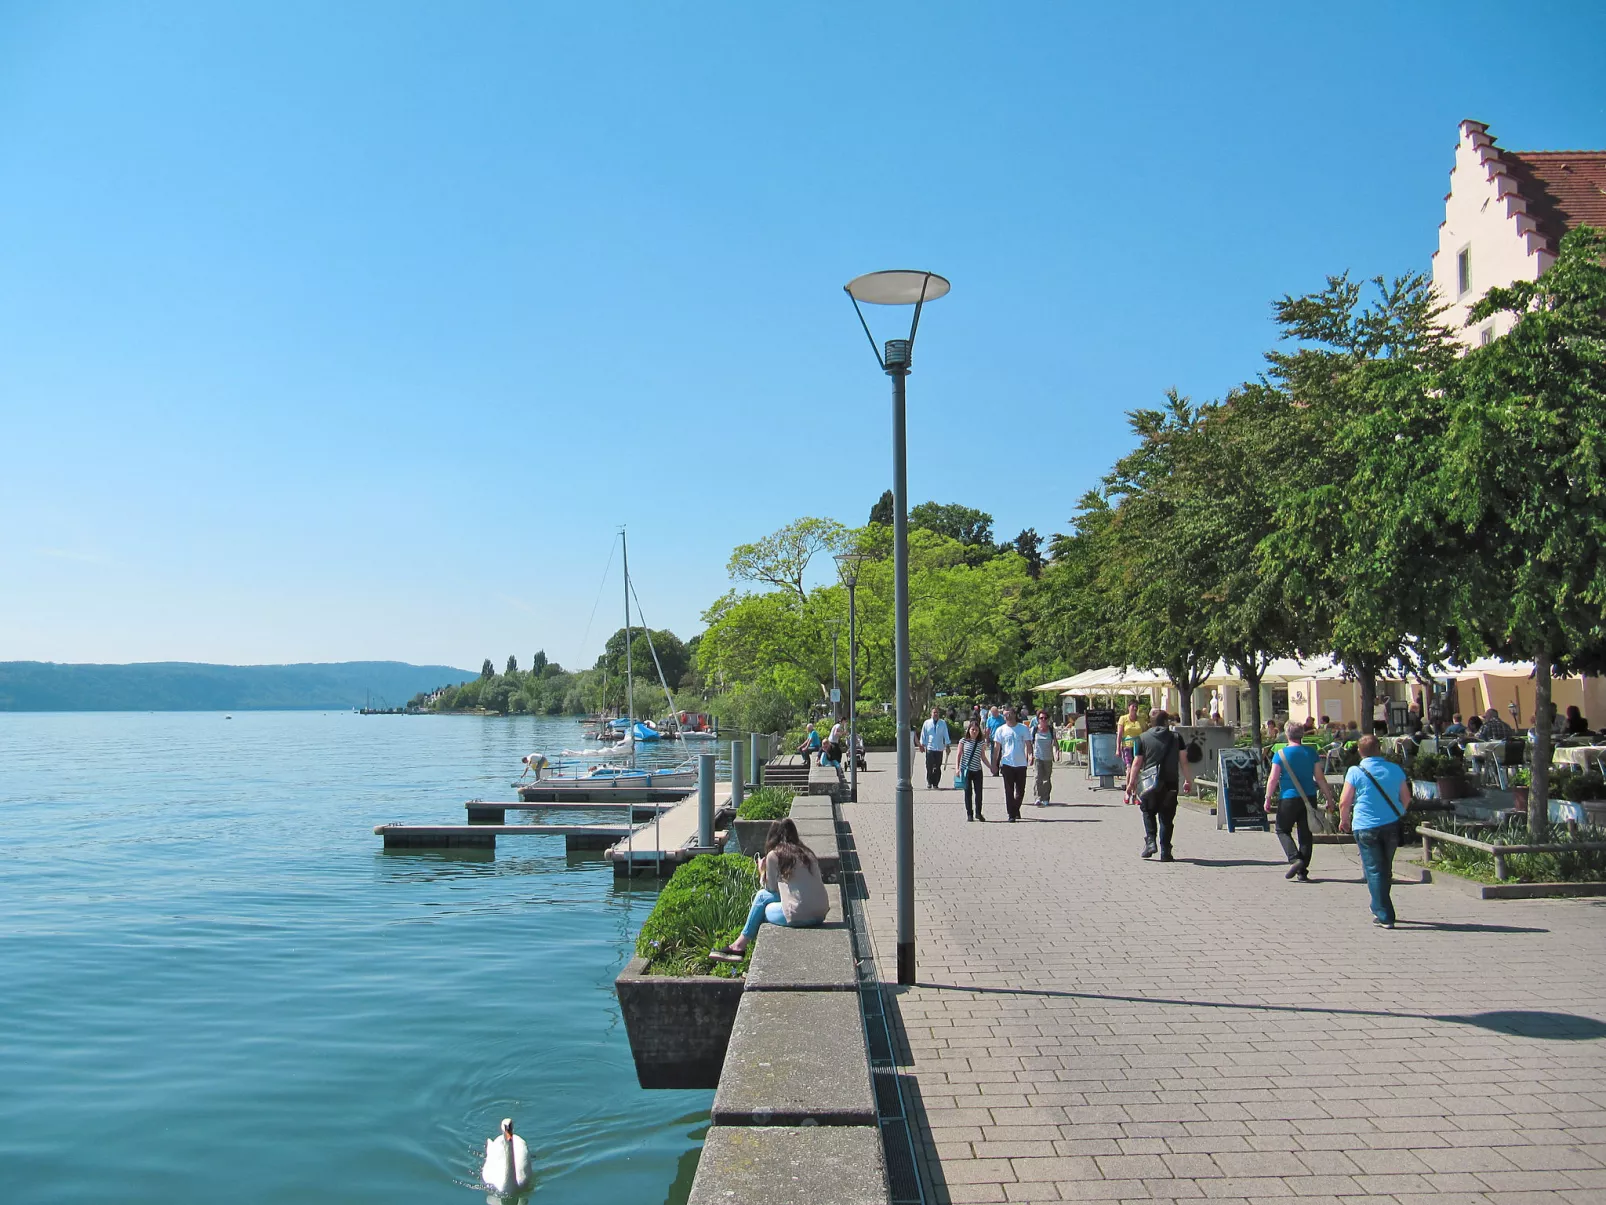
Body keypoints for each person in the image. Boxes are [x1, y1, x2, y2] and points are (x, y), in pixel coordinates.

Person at [709, 818, 829, 961]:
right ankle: (738, 946)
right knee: (765, 899)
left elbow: (771, 889)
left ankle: (739, 946)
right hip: (820, 914)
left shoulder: (775, 855)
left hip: (799, 916)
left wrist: (761, 871)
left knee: (762, 900)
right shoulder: (807, 853)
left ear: (772, 836)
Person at [1339, 734, 1411, 929]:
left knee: (1374, 870)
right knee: (1385, 868)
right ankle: (1378, 904)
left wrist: (1344, 820)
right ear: (1379, 748)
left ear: (1360, 751)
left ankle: (1385, 914)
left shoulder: (1355, 771)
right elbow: (1406, 797)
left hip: (1365, 825)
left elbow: (1345, 801)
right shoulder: (1395, 769)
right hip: (1391, 824)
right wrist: (1398, 813)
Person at [1264, 720, 1335, 881]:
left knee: (1282, 829)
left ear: (1287, 734)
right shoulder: (1310, 752)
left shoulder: (1280, 754)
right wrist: (1329, 798)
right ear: (1302, 735)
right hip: (1308, 797)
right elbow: (1320, 778)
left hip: (1288, 797)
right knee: (1305, 833)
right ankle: (1302, 871)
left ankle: (1295, 858)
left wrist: (1268, 798)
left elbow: (1273, 778)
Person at [1126, 709, 1194, 861]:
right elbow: (1184, 761)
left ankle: (1151, 841)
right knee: (1167, 817)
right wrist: (1188, 780)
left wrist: (1131, 784)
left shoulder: (1141, 738)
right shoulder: (1177, 737)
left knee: (1148, 811)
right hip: (1171, 782)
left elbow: (1136, 763)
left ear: (1151, 722)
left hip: (1150, 783)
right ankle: (1166, 851)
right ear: (1166, 722)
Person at [991, 706, 1031, 821]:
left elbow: (1028, 744)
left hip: (1021, 763)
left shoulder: (1023, 728)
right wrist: (994, 763)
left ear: (1014, 714)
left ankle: (1015, 808)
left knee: (1020, 791)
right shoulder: (1001, 730)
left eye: (1008, 714)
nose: (1007, 717)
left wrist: (1030, 755)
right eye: (1004, 715)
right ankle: (1011, 814)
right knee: (1009, 790)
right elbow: (997, 748)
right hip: (1007, 763)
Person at [955, 719, 992, 821]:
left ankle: (978, 813)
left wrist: (991, 767)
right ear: (968, 730)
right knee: (968, 792)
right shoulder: (963, 741)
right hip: (966, 770)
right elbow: (958, 755)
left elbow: (983, 757)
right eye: (972, 729)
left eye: (976, 730)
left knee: (978, 793)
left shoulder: (981, 743)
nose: (974, 732)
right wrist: (957, 768)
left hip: (977, 770)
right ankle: (969, 814)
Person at [918, 706, 952, 789]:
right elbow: (923, 734)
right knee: (929, 766)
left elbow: (945, 734)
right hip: (930, 747)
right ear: (931, 714)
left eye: (937, 712)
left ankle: (936, 783)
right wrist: (922, 744)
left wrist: (947, 745)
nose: (935, 714)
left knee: (937, 766)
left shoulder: (942, 723)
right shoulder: (927, 723)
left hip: (939, 748)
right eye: (934, 712)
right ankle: (929, 782)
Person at [1030, 710, 1059, 806]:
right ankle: (1037, 798)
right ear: (1038, 719)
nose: (1043, 720)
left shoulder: (1051, 730)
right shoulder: (1034, 730)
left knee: (1046, 779)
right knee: (1037, 777)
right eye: (1041, 718)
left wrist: (1057, 753)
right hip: (1037, 757)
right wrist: (1029, 755)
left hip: (1048, 758)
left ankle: (1046, 798)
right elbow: (1029, 744)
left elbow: (1055, 743)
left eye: (1045, 718)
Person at [1117, 701, 1145, 779]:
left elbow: (1145, 732)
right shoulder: (1123, 718)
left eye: (1136, 707)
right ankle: (1128, 788)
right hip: (1127, 746)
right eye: (1133, 706)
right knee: (1129, 768)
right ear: (1129, 707)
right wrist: (1118, 749)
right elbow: (1119, 734)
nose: (1135, 708)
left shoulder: (1141, 720)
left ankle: (1135, 789)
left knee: (1137, 769)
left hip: (1139, 747)